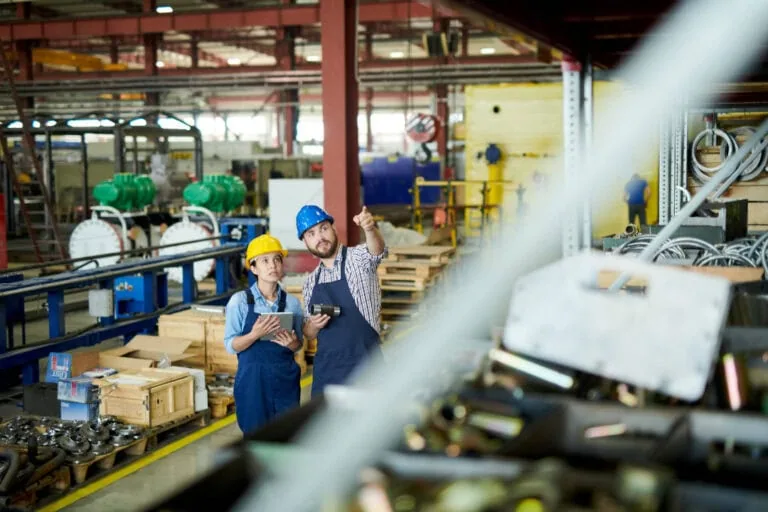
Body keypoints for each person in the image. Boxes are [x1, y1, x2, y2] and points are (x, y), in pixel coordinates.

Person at [297, 204, 386, 396]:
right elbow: (309, 333)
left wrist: (369, 229)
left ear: (334, 228)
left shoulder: (358, 259)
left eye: (323, 228)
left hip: (367, 370)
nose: (320, 237)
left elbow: (377, 250)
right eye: (311, 234)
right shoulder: (310, 282)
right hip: (328, 375)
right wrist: (313, 324)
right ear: (306, 242)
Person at [223, 234, 304, 434]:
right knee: (255, 438)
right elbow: (230, 345)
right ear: (253, 268)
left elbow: (299, 344)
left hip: (285, 379)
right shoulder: (239, 302)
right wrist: (254, 334)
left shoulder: (292, 303)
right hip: (253, 384)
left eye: (277, 259)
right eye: (265, 260)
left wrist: (292, 343)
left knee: (287, 435)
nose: (272, 265)